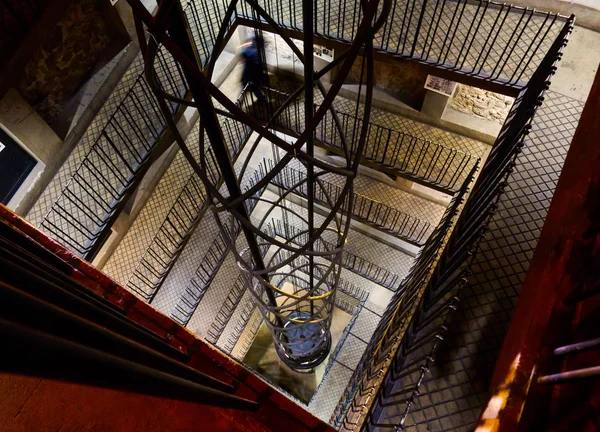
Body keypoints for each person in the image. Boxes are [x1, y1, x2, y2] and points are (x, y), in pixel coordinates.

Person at [239, 35, 266, 102]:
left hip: (251, 75)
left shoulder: (251, 52)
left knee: (252, 88)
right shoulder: (256, 50)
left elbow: (243, 53)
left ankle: (261, 98)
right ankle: (261, 98)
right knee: (253, 88)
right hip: (253, 74)